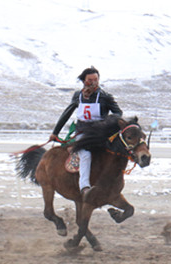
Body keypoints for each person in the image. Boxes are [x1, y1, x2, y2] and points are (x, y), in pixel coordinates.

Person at [50, 67, 122, 201]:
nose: (93, 82)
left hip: (101, 133)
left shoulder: (105, 97)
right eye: (90, 80)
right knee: (85, 155)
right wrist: (55, 132)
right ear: (84, 81)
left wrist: (106, 122)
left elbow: (118, 113)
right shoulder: (78, 96)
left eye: (96, 79)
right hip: (82, 132)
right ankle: (84, 187)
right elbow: (67, 113)